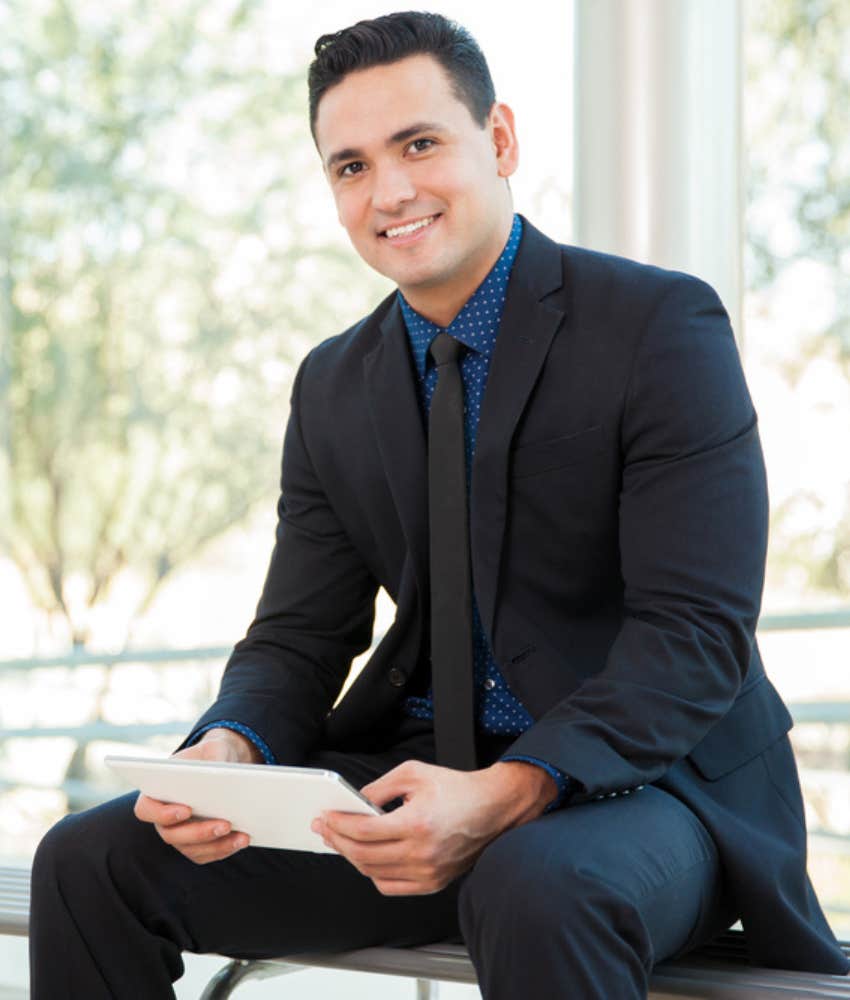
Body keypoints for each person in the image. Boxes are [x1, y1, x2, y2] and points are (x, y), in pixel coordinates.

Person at [29, 11, 849, 999]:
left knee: (534, 884)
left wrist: (507, 791)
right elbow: (298, 635)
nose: (391, 191)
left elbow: (694, 637)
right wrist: (227, 750)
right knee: (88, 862)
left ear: (498, 140)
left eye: (418, 144)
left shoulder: (657, 326)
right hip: (416, 783)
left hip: (648, 787)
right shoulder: (332, 383)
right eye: (351, 166)